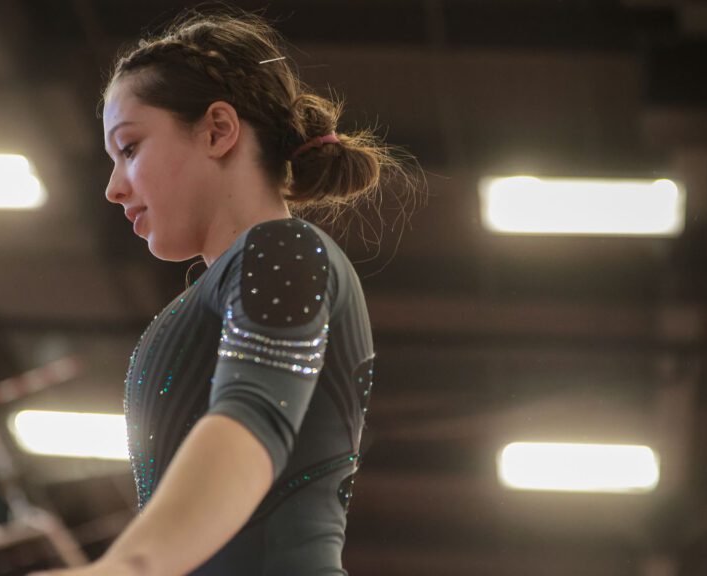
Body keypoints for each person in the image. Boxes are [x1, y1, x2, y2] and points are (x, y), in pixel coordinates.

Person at [31, 6, 422, 576]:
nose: (114, 188)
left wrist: (127, 567)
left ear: (217, 130)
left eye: (130, 148)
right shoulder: (226, 282)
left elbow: (251, 419)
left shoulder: (284, 248)